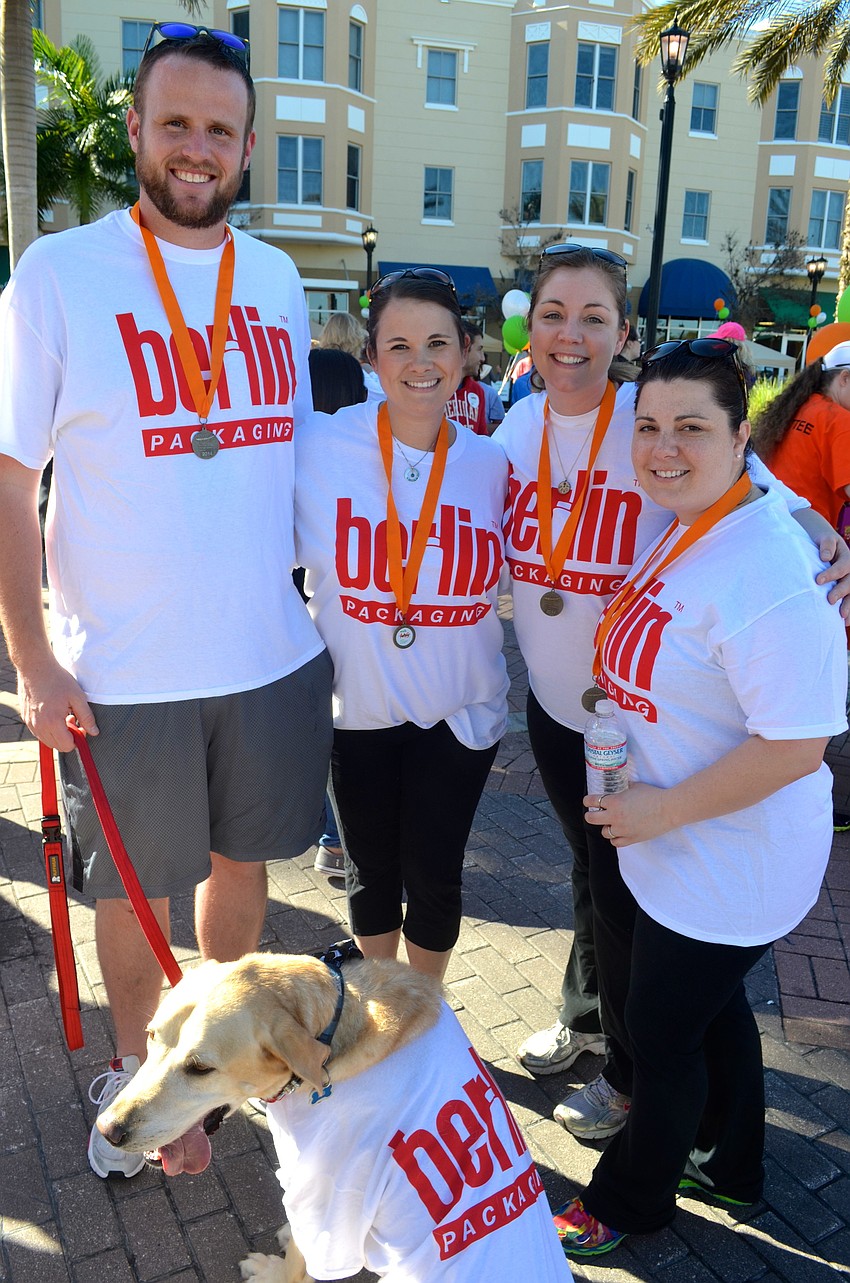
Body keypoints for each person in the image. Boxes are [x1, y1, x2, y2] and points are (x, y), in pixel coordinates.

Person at [0, 26, 332, 1180]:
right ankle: (144, 1080)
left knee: (242, 870)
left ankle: (219, 1061)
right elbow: (11, 473)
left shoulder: (280, 278)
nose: (198, 148)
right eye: (175, 122)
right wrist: (31, 657)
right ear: (137, 129)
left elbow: (290, 465)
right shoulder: (58, 273)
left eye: (220, 130)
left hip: (268, 656)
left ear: (247, 147)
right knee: (130, 891)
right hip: (124, 668)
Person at [493, 244, 850, 1140]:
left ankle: (630, 1077)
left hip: (643, 731)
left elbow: (753, 483)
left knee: (626, 901)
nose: (570, 336)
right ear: (525, 327)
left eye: (594, 318)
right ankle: (593, 1026)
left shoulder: (650, 420)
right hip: (554, 702)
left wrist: (819, 531)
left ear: (622, 332)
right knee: (592, 877)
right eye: (552, 316)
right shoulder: (510, 430)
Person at [553, 338, 846, 1257]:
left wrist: (661, 813)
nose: (662, 447)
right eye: (648, 426)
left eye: (690, 427)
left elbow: (799, 744)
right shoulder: (702, 514)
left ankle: (631, 1200)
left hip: (728, 858)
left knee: (663, 1031)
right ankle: (737, 1166)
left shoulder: (765, 571)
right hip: (661, 837)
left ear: (738, 437)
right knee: (711, 1015)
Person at [294, 268, 509, 981]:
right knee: (371, 872)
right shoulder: (318, 447)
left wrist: (798, 512)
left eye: (438, 343)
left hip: (461, 711)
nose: (421, 362)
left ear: (466, 352)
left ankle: (423, 1013)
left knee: (436, 873)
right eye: (399, 345)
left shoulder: (494, 463)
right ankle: (384, 1002)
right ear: (372, 357)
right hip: (357, 708)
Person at [305, 347, 368, 878]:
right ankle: (339, 839)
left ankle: (334, 838)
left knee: (334, 727)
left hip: (310, 619)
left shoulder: (297, 453)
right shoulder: (354, 458)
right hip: (353, 620)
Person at [753, 339, 850, 528]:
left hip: (769, 521)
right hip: (811, 533)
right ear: (845, 378)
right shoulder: (841, 420)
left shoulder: (797, 407)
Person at [319, 310, 384, 401]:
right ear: (355, 338)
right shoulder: (353, 370)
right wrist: (371, 372)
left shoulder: (315, 365)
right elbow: (382, 396)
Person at [445, 320, 490, 435]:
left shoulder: (477, 391)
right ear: (465, 348)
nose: (482, 358)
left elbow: (481, 438)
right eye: (479, 349)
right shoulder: (435, 389)